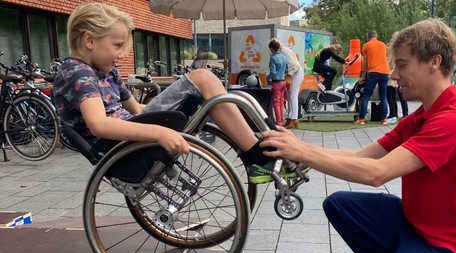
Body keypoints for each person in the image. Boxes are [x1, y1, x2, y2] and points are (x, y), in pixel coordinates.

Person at [260, 18, 456, 253]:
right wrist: (300, 152)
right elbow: (361, 157)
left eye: (402, 65)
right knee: (340, 205)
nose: (394, 74)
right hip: (418, 232)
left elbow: (377, 173)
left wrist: (301, 152)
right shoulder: (421, 117)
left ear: (434, 62)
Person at [53, 2, 307, 185]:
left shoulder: (106, 72)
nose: (123, 54)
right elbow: (99, 125)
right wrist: (159, 130)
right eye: (117, 46)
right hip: (118, 144)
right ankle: (256, 153)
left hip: (131, 128)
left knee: (210, 90)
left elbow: (139, 111)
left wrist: (174, 110)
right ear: (89, 40)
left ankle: (260, 143)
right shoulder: (78, 73)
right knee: (204, 77)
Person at [356, 30, 390, 125]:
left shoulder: (366, 46)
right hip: (385, 72)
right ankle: (384, 119)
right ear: (376, 36)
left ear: (368, 37)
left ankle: (361, 119)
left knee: (366, 95)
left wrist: (362, 77)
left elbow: (365, 63)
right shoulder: (383, 45)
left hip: (373, 72)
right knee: (383, 96)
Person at [271, 38, 304, 129]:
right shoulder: (282, 51)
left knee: (292, 96)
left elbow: (295, 65)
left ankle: (294, 118)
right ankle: (290, 118)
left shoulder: (284, 51)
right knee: (290, 96)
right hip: (294, 74)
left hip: (296, 74)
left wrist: (289, 75)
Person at [267, 38, 288, 126]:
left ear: (272, 48)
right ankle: (281, 120)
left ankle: (278, 122)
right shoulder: (284, 57)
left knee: (276, 102)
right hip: (283, 82)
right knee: (281, 101)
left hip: (276, 82)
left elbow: (273, 72)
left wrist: (267, 77)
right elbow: (286, 70)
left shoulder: (273, 59)